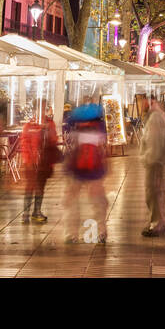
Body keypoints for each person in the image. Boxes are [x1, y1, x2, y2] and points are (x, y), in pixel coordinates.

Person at [63, 99, 109, 244]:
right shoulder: (99, 128)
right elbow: (102, 148)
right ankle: (101, 232)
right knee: (99, 202)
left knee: (72, 201)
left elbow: (73, 148)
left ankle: (72, 234)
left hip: (78, 169)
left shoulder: (77, 127)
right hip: (95, 169)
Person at [21, 107, 60, 224]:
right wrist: (28, 159)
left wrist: (48, 131)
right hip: (32, 162)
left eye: (43, 108)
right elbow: (24, 142)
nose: (41, 111)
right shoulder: (29, 126)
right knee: (30, 187)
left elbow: (54, 140)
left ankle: (36, 211)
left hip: (44, 162)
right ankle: (26, 213)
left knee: (40, 187)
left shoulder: (50, 123)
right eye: (39, 108)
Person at [140, 97, 165, 237]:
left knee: (154, 194)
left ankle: (157, 225)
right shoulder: (154, 116)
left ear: (149, 101)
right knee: (154, 194)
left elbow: (154, 142)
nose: (140, 104)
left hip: (154, 162)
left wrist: (149, 159)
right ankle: (157, 223)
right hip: (155, 161)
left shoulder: (155, 118)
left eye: (142, 101)